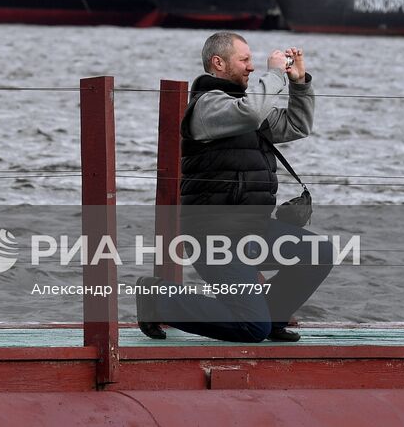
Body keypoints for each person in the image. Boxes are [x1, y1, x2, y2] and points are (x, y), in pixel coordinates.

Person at [137, 32, 332, 343]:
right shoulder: (208, 106)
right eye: (244, 60)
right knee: (250, 328)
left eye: (252, 61)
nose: (251, 67)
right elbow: (252, 112)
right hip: (215, 239)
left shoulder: (246, 108)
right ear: (218, 63)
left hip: (252, 231)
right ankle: (158, 298)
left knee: (320, 251)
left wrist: (299, 83)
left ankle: (272, 315)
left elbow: (297, 126)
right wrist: (273, 74)